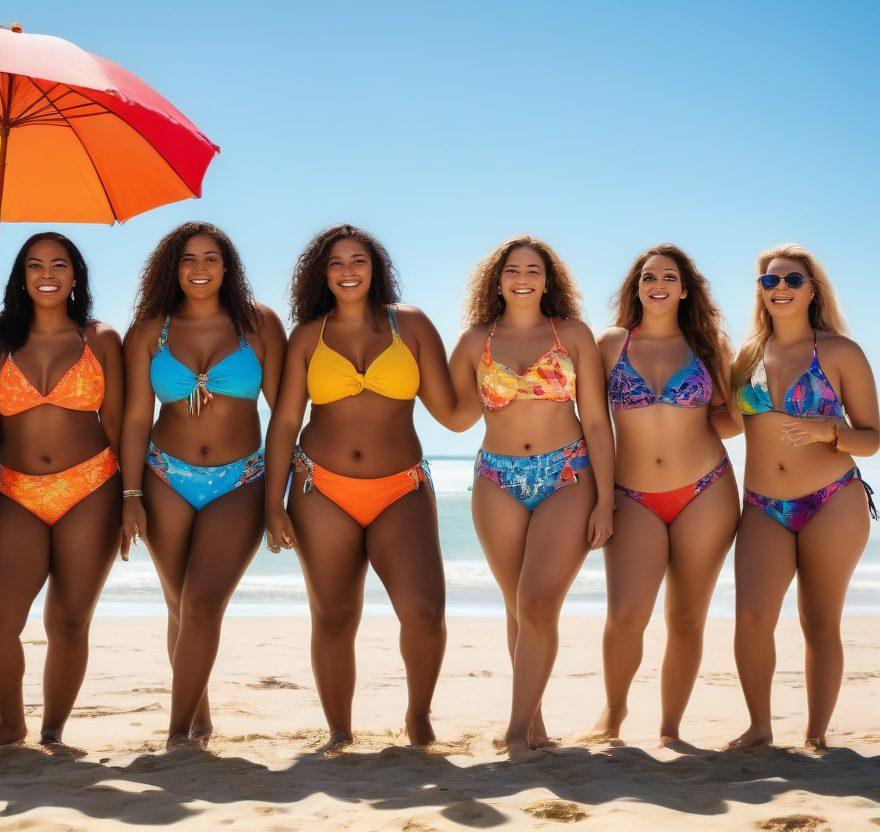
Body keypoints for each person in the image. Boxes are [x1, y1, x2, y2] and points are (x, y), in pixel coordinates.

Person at [265, 224, 455, 754]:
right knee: (334, 616)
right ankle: (340, 731)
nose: (348, 272)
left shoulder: (410, 324)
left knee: (425, 613)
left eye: (359, 261)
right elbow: (283, 423)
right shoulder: (308, 335)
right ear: (321, 274)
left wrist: (512, 382)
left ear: (376, 268)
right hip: (320, 488)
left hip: (401, 489)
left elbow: (454, 413)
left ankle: (418, 717)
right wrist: (273, 504)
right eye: (336, 263)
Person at [448, 235, 613, 761]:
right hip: (496, 477)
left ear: (549, 279)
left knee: (539, 601)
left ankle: (515, 732)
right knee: (518, 606)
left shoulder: (574, 335)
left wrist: (606, 500)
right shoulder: (476, 342)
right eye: (513, 270)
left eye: (533, 270)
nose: (523, 278)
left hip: (567, 472)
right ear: (496, 281)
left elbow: (595, 420)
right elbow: (455, 418)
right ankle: (535, 723)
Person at [121, 222, 286, 748]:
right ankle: (200, 718)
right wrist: (130, 496)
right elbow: (132, 419)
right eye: (188, 258)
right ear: (172, 268)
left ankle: (175, 736)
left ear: (227, 266)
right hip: (165, 476)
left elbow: (283, 416)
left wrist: (278, 497)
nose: (199, 268)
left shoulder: (259, 325)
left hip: (240, 480)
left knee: (202, 603)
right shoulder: (151, 331)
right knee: (180, 603)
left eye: (211, 257)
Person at [0, 232, 124, 748]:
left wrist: (132, 500)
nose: (47, 274)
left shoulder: (100, 339)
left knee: (69, 619)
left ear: (76, 275)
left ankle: (53, 732)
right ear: (22, 276)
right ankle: (11, 723)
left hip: (93, 486)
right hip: (15, 491)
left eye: (59, 265)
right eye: (35, 266)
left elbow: (119, 424)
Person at [727, 244, 878, 751]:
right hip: (763, 505)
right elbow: (723, 423)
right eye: (770, 282)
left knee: (819, 618)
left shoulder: (839, 352)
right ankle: (759, 726)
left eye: (792, 280)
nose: (781, 289)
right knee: (751, 617)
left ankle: (816, 734)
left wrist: (829, 432)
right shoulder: (745, 356)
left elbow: (873, 438)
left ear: (812, 290)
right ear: (760, 292)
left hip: (833, 498)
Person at [589, 244, 740, 747]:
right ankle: (612, 716)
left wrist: (751, 407)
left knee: (687, 615)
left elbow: (726, 419)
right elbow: (592, 424)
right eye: (648, 276)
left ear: (684, 287)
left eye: (669, 277)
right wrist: (600, 498)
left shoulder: (706, 344)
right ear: (636, 286)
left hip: (706, 490)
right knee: (627, 614)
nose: (658, 284)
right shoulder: (611, 344)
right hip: (631, 495)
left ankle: (671, 730)